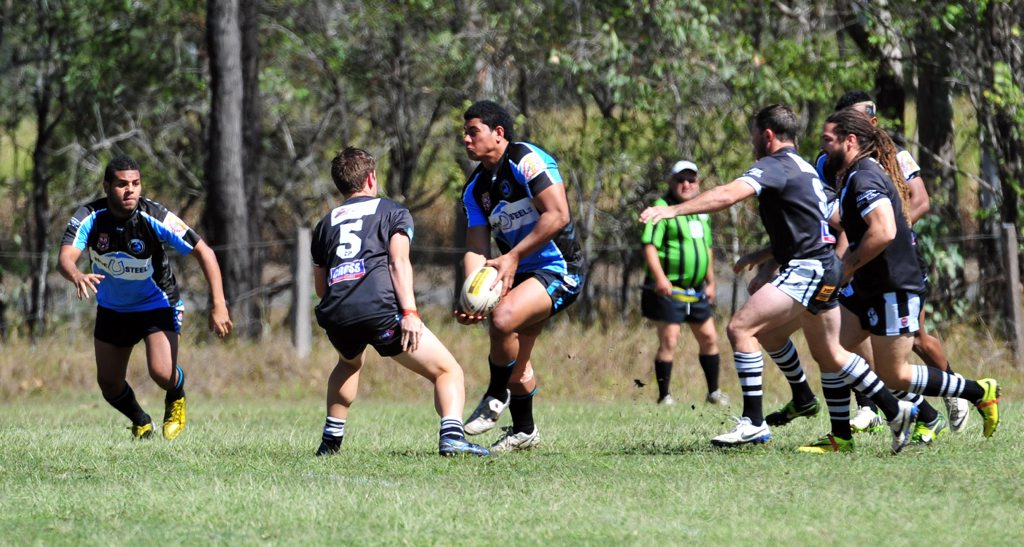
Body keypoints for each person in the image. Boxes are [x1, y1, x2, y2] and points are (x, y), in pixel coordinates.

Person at [640, 104, 918, 454]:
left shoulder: (774, 165)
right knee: (826, 352)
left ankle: (753, 423)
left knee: (741, 329)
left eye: (754, 135)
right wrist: (775, 255)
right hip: (822, 267)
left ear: (767, 136)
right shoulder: (805, 168)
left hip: (807, 268)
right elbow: (836, 219)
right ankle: (896, 412)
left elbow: (727, 195)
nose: (752, 141)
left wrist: (671, 210)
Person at [798, 109, 1000, 452]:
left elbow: (885, 231)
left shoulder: (864, 177)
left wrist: (843, 270)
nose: (821, 145)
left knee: (895, 375)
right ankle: (840, 437)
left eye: (827, 139)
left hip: (894, 286)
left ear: (850, 141)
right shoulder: (851, 175)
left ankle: (979, 391)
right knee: (832, 350)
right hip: (868, 285)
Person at [310, 147, 488, 458]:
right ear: (371, 178)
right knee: (448, 371)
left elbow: (321, 287)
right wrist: (409, 313)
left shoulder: (325, 225)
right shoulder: (392, 211)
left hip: (335, 312)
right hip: (380, 309)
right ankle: (452, 437)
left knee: (349, 362)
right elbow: (398, 262)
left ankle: (330, 443)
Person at [822, 91, 971, 435]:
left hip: (894, 258)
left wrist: (891, 229)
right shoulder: (830, 161)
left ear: (870, 124)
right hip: (862, 259)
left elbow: (920, 201)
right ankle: (876, 406)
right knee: (852, 338)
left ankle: (953, 387)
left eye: (861, 119)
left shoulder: (895, 157)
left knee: (915, 338)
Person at [58, 154, 232, 440]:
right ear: (106, 186)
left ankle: (176, 395)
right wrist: (76, 275)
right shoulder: (88, 217)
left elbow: (205, 252)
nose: (130, 190)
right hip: (113, 308)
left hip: (157, 304)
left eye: (136, 183)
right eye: (122, 184)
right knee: (109, 384)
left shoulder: (155, 216)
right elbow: (65, 258)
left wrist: (219, 304)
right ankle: (141, 421)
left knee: (162, 373)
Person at [455, 100, 586, 452]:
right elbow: (476, 250)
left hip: (560, 269)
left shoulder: (527, 160)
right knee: (515, 360)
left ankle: (496, 395)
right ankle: (524, 431)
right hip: (521, 271)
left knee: (502, 319)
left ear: (498, 134)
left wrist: (512, 256)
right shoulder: (475, 190)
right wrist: (471, 294)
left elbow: (557, 215)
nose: (466, 140)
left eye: (473, 132)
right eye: (464, 133)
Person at [640, 160, 727, 406]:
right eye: (681, 180)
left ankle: (713, 392)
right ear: (671, 182)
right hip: (672, 289)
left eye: (691, 180)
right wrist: (660, 279)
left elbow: (706, 248)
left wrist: (711, 282)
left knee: (709, 337)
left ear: (698, 182)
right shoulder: (661, 208)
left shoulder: (700, 210)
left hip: (697, 290)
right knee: (670, 340)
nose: (686, 184)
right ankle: (665, 395)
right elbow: (649, 245)